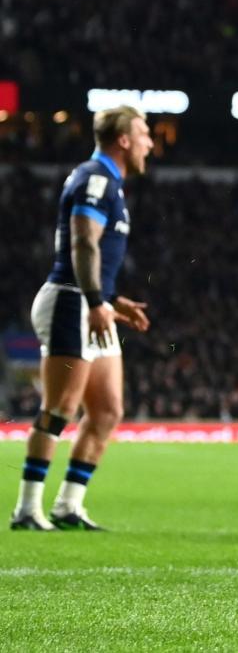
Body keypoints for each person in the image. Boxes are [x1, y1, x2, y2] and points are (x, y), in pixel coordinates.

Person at [12, 105, 153, 531]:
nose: (150, 141)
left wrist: (113, 299)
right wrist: (95, 300)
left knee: (108, 410)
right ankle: (26, 510)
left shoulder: (110, 183)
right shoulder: (95, 177)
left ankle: (68, 505)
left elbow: (94, 251)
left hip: (92, 301)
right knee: (60, 407)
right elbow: (83, 243)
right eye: (144, 132)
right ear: (124, 140)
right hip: (71, 301)